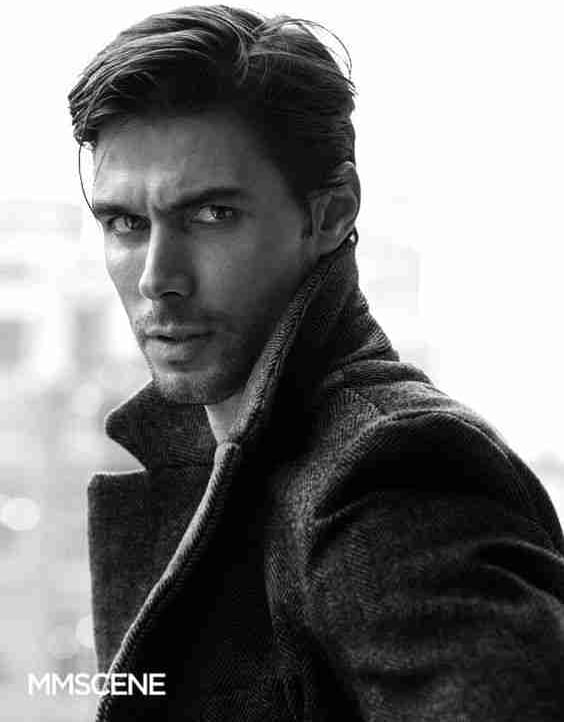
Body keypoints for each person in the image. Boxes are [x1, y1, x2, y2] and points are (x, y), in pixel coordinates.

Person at [68, 5, 564, 720]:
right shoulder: (247, 455)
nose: (156, 278)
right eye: (126, 223)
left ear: (330, 215)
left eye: (212, 215)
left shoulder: (386, 473)